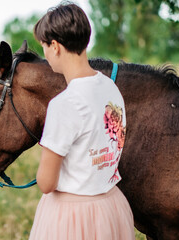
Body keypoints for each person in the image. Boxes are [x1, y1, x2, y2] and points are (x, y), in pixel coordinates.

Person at [29, 3, 135, 240]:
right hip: (110, 207)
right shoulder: (110, 87)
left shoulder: (64, 104)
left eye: (44, 46)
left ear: (55, 46)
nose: (45, 53)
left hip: (73, 216)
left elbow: (46, 183)